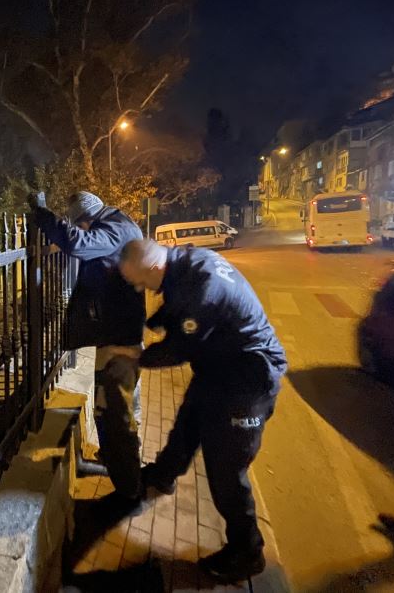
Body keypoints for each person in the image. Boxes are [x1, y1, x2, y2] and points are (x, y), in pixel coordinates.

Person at [118, 239, 287, 582]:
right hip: (219, 370)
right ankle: (163, 476)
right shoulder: (188, 262)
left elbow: (179, 348)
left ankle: (247, 551)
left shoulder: (203, 288)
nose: (140, 288)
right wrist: (155, 322)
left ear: (153, 268)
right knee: (189, 424)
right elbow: (176, 307)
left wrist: (136, 357)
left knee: (226, 467)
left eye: (139, 281)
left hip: (248, 380)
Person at [29, 191, 145, 511]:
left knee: (117, 416)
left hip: (120, 340)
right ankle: (117, 464)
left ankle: (128, 492)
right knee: (113, 410)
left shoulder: (115, 230)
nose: (81, 229)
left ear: (87, 218)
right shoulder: (117, 225)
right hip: (115, 334)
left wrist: (42, 214)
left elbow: (79, 244)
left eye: (80, 224)